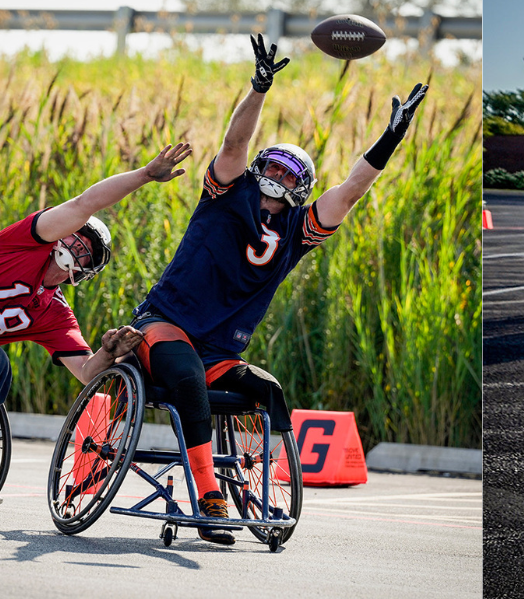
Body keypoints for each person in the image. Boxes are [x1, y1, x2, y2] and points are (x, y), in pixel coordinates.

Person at [129, 34, 429, 544]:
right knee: (189, 380)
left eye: (285, 172)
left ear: (300, 188)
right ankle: (210, 497)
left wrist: (391, 137)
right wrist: (259, 88)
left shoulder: (299, 230)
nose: (271, 174)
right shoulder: (227, 192)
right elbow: (233, 144)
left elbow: (351, 190)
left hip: (220, 347)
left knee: (268, 390)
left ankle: (254, 482)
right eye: (268, 165)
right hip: (167, 324)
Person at [0, 143, 190, 490]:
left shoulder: (54, 312)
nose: (77, 248)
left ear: (88, 270)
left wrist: (109, 351)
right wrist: (145, 175)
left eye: (87, 252)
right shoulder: (24, 244)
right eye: (76, 238)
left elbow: (86, 373)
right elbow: (86, 203)